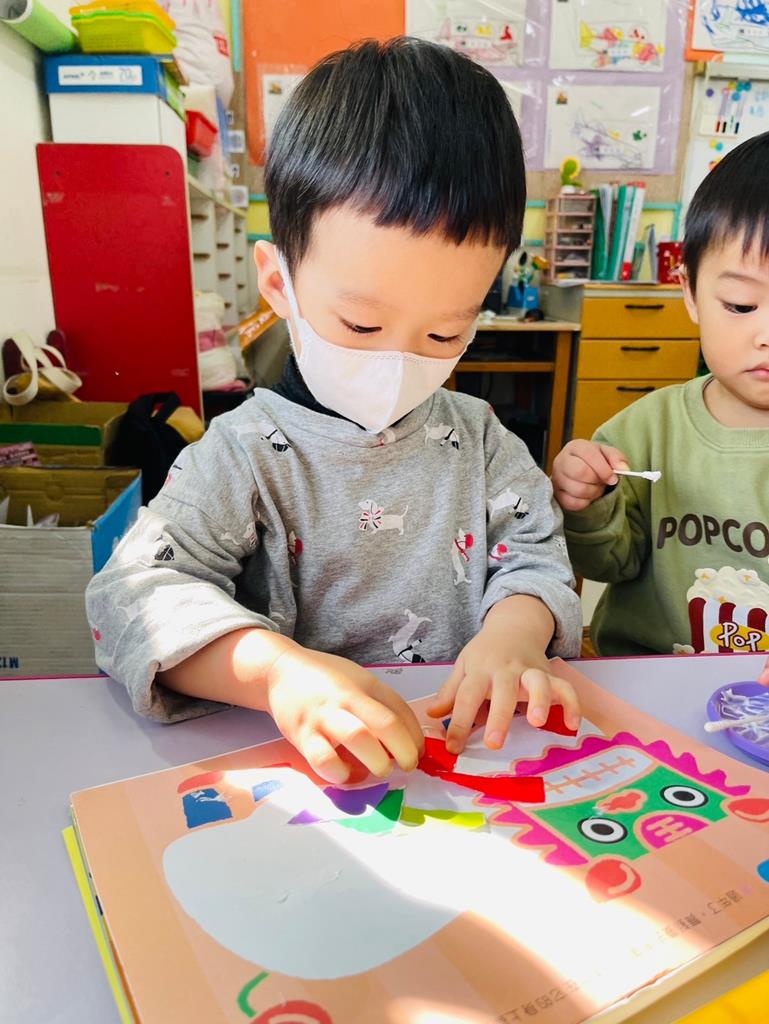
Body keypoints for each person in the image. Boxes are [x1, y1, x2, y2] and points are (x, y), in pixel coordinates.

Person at [86, 38, 582, 783]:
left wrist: (513, 637)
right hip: (304, 774)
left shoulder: (480, 440)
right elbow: (131, 597)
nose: (397, 361)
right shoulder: (241, 455)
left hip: (464, 757)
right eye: (361, 324)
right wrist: (273, 674)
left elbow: (537, 557)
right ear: (278, 283)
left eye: (445, 333)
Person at [552, 131, 769, 685]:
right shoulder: (644, 431)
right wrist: (586, 504)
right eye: (741, 305)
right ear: (690, 292)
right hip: (640, 681)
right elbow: (607, 563)